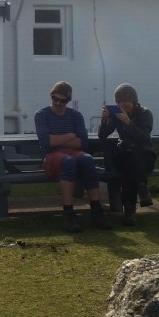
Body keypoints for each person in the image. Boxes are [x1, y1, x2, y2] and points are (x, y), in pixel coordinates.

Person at [34, 81, 110, 232]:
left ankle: (96, 211)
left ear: (68, 101)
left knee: (88, 160)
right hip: (51, 155)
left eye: (63, 101)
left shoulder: (75, 115)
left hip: (72, 152)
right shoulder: (41, 115)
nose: (58, 103)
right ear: (51, 96)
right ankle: (68, 212)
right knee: (68, 162)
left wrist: (58, 139)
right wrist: (69, 135)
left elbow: (83, 143)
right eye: (55, 99)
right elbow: (46, 142)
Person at [97, 83, 156, 226]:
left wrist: (128, 123)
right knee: (129, 159)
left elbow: (143, 138)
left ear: (134, 101)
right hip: (125, 155)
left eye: (125, 101)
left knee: (131, 164)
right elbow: (103, 134)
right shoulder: (117, 114)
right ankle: (142, 187)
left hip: (144, 155)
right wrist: (104, 120)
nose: (122, 104)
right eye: (119, 102)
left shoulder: (145, 113)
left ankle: (129, 210)